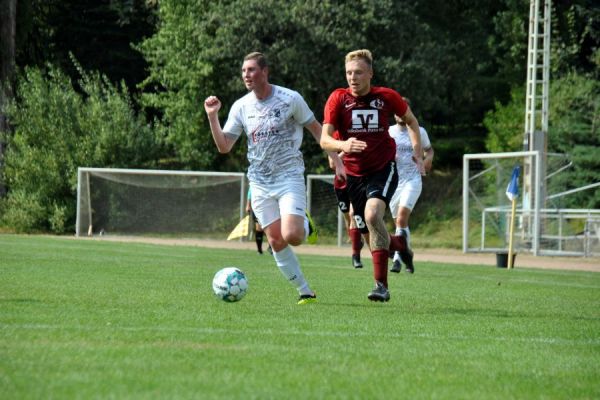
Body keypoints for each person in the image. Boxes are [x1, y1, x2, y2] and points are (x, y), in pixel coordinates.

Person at [204, 51, 344, 305]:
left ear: (265, 72)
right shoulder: (241, 106)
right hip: (259, 182)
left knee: (293, 236)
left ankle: (304, 223)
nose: (247, 75)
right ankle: (304, 291)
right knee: (275, 239)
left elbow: (317, 129)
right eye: (244, 70)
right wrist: (212, 117)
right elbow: (224, 146)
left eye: (252, 70)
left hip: (289, 176)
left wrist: (335, 157)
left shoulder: (290, 99)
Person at [320, 49, 424, 302]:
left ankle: (381, 287)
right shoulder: (337, 99)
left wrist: (418, 151)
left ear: (370, 74)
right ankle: (400, 247)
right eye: (348, 73)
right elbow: (324, 140)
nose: (352, 78)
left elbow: (411, 120)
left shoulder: (386, 96)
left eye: (358, 72)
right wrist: (344, 145)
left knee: (372, 215)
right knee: (371, 237)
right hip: (354, 175)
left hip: (382, 168)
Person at [388, 100, 434, 273]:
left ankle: (398, 260)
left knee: (401, 218)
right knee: (400, 224)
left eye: (403, 111)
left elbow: (429, 150)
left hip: (413, 180)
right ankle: (408, 254)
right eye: (397, 111)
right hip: (394, 183)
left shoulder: (419, 131)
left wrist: (427, 160)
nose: (400, 114)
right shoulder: (389, 132)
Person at [328, 132, 365, 269]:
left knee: (353, 215)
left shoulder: (359, 132)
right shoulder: (334, 135)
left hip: (357, 180)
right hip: (340, 182)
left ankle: (356, 256)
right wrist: (345, 148)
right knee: (347, 218)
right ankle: (356, 241)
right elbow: (332, 163)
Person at [246, 188, 272, 255]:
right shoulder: (256, 180)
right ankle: (259, 250)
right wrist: (248, 205)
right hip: (258, 206)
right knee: (259, 228)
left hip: (270, 205)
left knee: (271, 226)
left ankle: (271, 247)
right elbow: (250, 192)